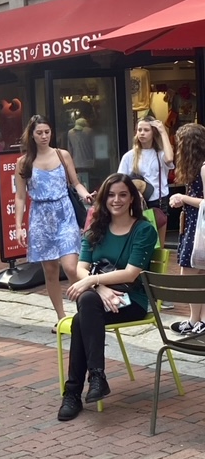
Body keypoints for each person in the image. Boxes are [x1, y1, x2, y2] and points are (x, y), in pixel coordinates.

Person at [58, 174, 158, 421]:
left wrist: (93, 281)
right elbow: (81, 267)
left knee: (83, 316)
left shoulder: (143, 229)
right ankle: (96, 378)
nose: (117, 200)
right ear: (104, 198)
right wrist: (98, 287)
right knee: (87, 307)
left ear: (132, 198)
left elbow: (132, 273)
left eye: (123, 194)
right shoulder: (96, 230)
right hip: (98, 300)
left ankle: (73, 393)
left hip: (131, 300)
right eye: (111, 195)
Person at [14, 115, 94, 331]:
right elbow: (20, 196)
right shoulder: (24, 162)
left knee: (71, 266)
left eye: (46, 132)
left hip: (64, 212)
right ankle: (61, 317)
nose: (43, 136)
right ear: (31, 134)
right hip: (40, 216)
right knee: (49, 271)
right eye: (39, 132)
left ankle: (84, 313)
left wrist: (86, 196)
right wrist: (19, 226)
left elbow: (76, 183)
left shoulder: (62, 155)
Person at [169, 123, 205, 335]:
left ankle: (197, 319)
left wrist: (183, 198)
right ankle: (196, 319)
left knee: (190, 274)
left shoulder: (202, 167)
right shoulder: (196, 167)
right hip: (193, 225)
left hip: (198, 227)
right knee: (195, 274)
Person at [118, 116, 174, 248]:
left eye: (146, 130)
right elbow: (119, 180)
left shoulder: (160, 154)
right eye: (139, 130)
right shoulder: (129, 156)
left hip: (158, 201)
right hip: (136, 201)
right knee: (137, 242)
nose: (142, 133)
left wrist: (163, 131)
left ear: (153, 132)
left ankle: (153, 269)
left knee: (158, 245)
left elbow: (170, 158)